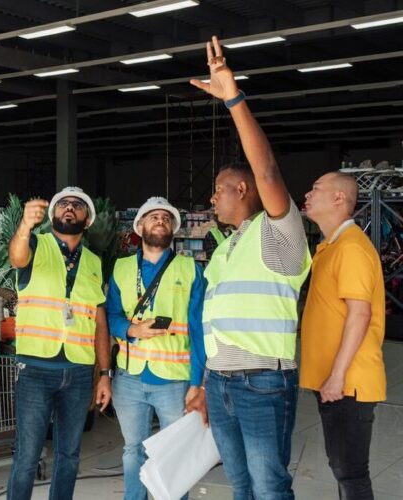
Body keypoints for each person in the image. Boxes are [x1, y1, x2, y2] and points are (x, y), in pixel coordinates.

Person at [187, 36, 311, 500]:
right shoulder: (224, 248)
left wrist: (233, 99)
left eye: (219, 189)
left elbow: (269, 173)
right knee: (240, 484)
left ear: (242, 189)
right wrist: (202, 382)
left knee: (268, 485)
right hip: (221, 382)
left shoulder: (278, 233)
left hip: (262, 380)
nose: (213, 197)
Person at [6, 186, 112, 500]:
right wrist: (25, 225)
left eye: (78, 205)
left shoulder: (93, 261)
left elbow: (99, 321)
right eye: (63, 204)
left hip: (78, 372)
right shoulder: (35, 245)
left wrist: (104, 373)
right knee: (27, 456)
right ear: (52, 214)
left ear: (88, 219)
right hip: (36, 369)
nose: (70, 208)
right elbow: (16, 256)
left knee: (69, 455)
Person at [106, 196, 207, 500]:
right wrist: (130, 330)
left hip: (174, 380)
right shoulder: (122, 268)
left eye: (166, 217)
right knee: (133, 450)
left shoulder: (190, 269)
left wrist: (197, 383)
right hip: (130, 377)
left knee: (176, 453)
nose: (160, 221)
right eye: (154, 217)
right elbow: (110, 315)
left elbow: (200, 329)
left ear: (173, 228)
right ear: (140, 227)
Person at [302, 172, 386, 499]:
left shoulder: (351, 247)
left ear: (339, 198)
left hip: (348, 383)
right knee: (343, 470)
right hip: (335, 382)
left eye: (316, 188)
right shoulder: (332, 246)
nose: (307, 194)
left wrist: (336, 377)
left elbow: (360, 313)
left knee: (351, 474)